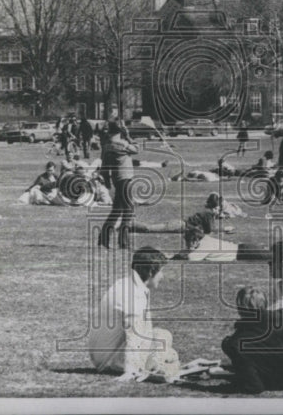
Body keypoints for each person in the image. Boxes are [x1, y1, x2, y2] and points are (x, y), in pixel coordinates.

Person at [88, 247, 180, 382]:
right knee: (165, 345)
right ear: (150, 272)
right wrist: (131, 369)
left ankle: (161, 364)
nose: (162, 276)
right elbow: (133, 332)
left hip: (106, 354)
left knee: (163, 337)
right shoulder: (132, 293)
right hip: (109, 359)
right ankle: (157, 367)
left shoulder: (128, 284)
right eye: (161, 271)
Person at [98, 120, 140, 249]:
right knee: (128, 210)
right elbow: (137, 149)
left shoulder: (106, 145)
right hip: (125, 178)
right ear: (119, 131)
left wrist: (106, 180)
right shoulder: (122, 144)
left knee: (117, 210)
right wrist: (127, 135)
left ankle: (104, 237)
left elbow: (104, 165)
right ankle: (123, 241)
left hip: (117, 179)